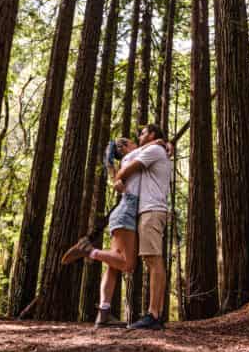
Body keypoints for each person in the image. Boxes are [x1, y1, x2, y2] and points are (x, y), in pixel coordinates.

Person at [60, 137, 143, 327]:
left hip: (122, 213)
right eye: (131, 141)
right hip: (126, 212)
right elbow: (152, 146)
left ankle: (103, 314)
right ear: (123, 148)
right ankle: (89, 251)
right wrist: (162, 143)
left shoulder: (126, 160)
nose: (136, 143)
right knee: (127, 265)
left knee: (113, 265)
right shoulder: (132, 156)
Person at [118, 123, 172, 331]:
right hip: (150, 209)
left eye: (142, 133)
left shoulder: (155, 149)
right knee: (152, 259)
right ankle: (154, 314)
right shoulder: (157, 148)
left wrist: (118, 176)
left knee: (153, 259)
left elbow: (127, 168)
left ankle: (154, 314)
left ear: (151, 135)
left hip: (152, 209)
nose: (138, 137)